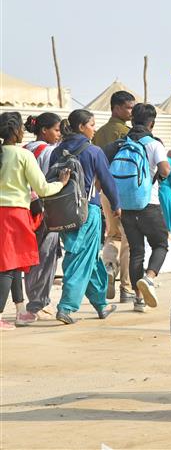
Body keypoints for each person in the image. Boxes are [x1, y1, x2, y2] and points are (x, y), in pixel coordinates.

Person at [0, 112, 69, 330]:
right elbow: (43, 189)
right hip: (16, 215)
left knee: (15, 264)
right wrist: (62, 183)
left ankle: (21, 312)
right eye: (20, 127)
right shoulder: (22, 156)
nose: (23, 131)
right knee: (9, 268)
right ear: (14, 130)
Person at [50, 110, 121, 325]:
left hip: (63, 212)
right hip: (87, 212)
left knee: (89, 257)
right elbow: (107, 180)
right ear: (81, 127)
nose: (94, 128)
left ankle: (101, 304)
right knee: (79, 258)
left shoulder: (57, 151)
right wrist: (116, 205)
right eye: (92, 124)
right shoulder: (93, 151)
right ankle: (67, 307)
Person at [104, 104, 171, 313]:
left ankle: (139, 299)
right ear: (151, 122)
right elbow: (166, 170)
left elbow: (104, 169)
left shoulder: (119, 144)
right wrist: (161, 175)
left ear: (132, 121)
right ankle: (149, 279)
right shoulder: (153, 144)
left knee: (136, 251)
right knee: (160, 244)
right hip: (148, 205)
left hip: (126, 208)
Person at [93, 90, 135, 303]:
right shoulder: (126, 133)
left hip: (104, 192)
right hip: (124, 192)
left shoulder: (98, 132)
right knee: (128, 240)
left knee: (112, 235)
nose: (131, 111)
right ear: (116, 108)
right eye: (128, 107)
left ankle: (109, 268)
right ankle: (126, 288)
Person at [22, 113, 63, 320]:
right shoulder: (48, 151)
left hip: (23, 210)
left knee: (29, 256)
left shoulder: (23, 149)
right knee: (46, 255)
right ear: (44, 130)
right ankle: (38, 303)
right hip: (45, 210)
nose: (59, 134)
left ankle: (33, 301)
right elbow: (48, 184)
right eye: (56, 130)